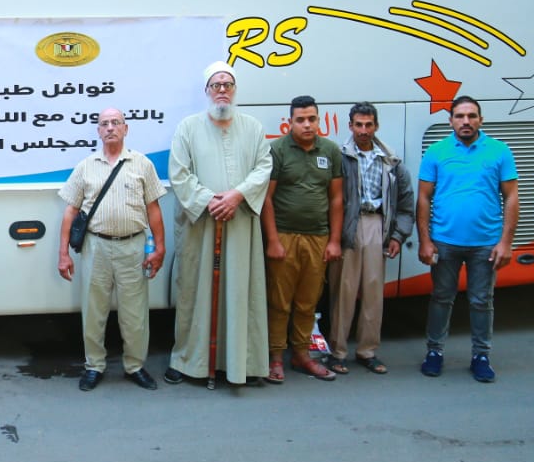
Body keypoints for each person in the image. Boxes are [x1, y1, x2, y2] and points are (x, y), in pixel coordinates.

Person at [165, 63, 272, 387]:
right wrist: (209, 200)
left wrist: (237, 196)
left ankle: (243, 363)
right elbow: (179, 174)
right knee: (194, 292)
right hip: (201, 224)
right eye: (216, 85)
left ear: (235, 90)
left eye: (227, 84)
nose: (222, 89)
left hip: (239, 224)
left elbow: (264, 167)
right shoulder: (187, 128)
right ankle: (188, 361)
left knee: (242, 290)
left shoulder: (253, 128)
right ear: (207, 91)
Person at [58, 108, 167, 392]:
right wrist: (63, 254)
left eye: (115, 123)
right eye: (104, 124)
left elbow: (154, 209)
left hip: (133, 246)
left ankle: (135, 366)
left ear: (125, 129)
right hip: (96, 247)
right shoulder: (86, 166)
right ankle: (94, 366)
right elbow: (70, 211)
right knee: (93, 311)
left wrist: (160, 248)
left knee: (135, 313)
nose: (110, 128)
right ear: (98, 131)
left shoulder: (142, 164)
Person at [416, 96, 519, 383]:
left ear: (480, 120)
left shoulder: (499, 151)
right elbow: (423, 198)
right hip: (444, 241)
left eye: (472, 116)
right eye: (460, 116)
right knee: (441, 298)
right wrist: (425, 240)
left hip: (486, 243)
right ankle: (434, 352)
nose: (466, 121)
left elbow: (511, 197)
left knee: (481, 300)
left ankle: (481, 356)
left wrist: (505, 242)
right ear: (450, 121)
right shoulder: (436, 152)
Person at [325, 103, 415, 376]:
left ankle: (367, 350)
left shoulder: (391, 161)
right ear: (350, 126)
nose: (363, 130)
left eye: (368, 125)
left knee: (374, 291)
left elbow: (405, 203)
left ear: (376, 126)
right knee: (343, 290)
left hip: (378, 224)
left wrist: (398, 235)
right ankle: (337, 351)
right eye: (358, 125)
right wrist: (333, 237)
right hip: (348, 226)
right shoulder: (340, 157)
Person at [261, 95, 343, 383]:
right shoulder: (277, 150)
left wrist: (334, 241)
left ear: (318, 120)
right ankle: (275, 357)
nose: (307, 125)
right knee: (279, 301)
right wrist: (273, 240)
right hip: (284, 236)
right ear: (290, 122)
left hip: (318, 238)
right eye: (300, 120)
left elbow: (336, 199)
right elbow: (266, 199)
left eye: (311, 119)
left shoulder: (330, 151)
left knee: (308, 302)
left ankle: (301, 355)